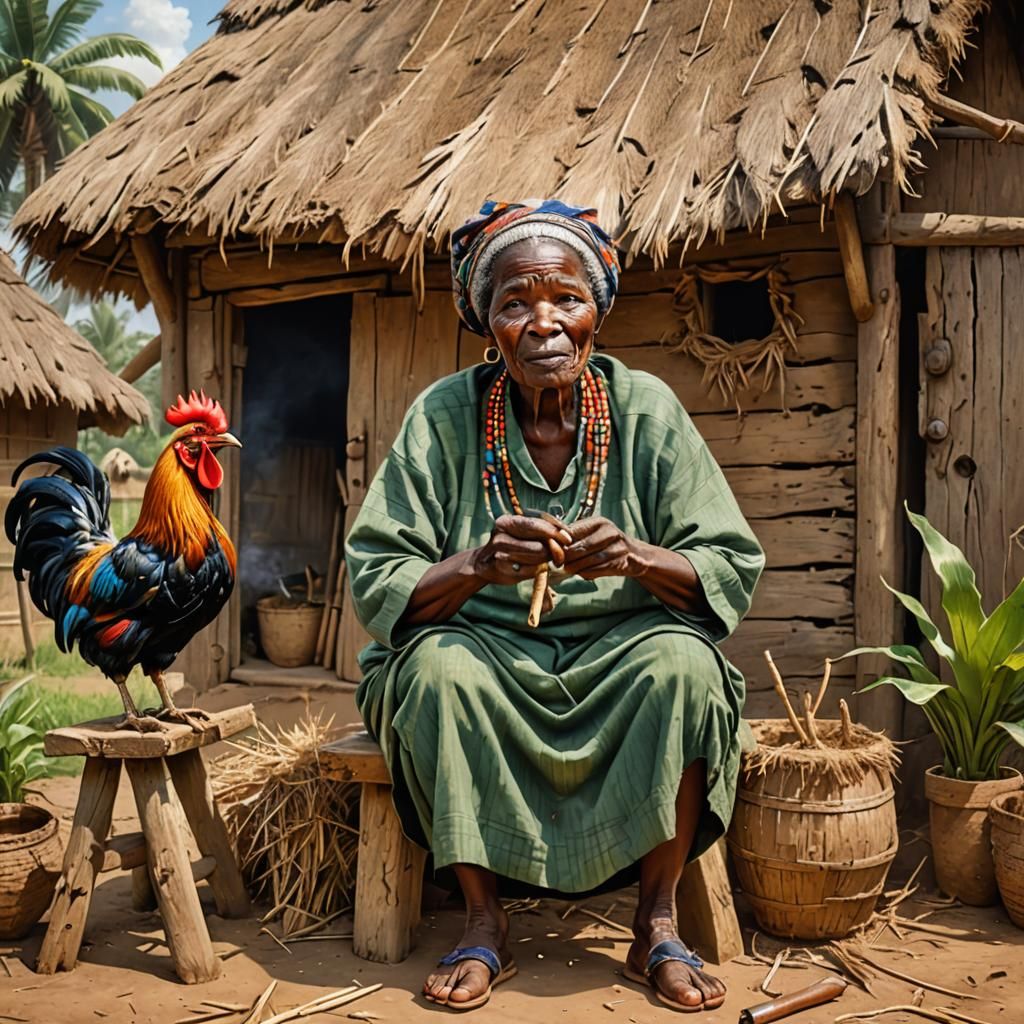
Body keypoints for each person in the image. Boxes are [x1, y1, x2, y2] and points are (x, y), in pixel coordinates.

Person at [345, 200, 764, 1013]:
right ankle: (482, 920)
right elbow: (376, 576)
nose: (544, 324)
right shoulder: (442, 415)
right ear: (486, 322)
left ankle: (657, 920)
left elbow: (730, 564)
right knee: (433, 672)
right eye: (515, 303)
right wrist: (476, 564)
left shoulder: (645, 409)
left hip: (621, 657)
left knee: (683, 665)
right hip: (485, 657)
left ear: (596, 312)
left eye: (565, 298)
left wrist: (638, 558)